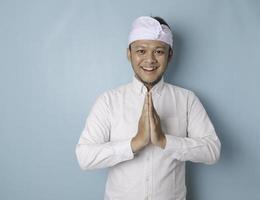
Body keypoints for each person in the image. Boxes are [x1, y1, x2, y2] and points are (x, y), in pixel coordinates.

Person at [75, 16, 221, 200]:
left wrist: (164, 141)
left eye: (159, 51)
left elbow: (212, 150)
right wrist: (134, 143)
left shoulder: (187, 100)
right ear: (129, 53)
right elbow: (85, 157)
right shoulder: (108, 101)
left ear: (170, 55)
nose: (149, 60)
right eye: (141, 51)